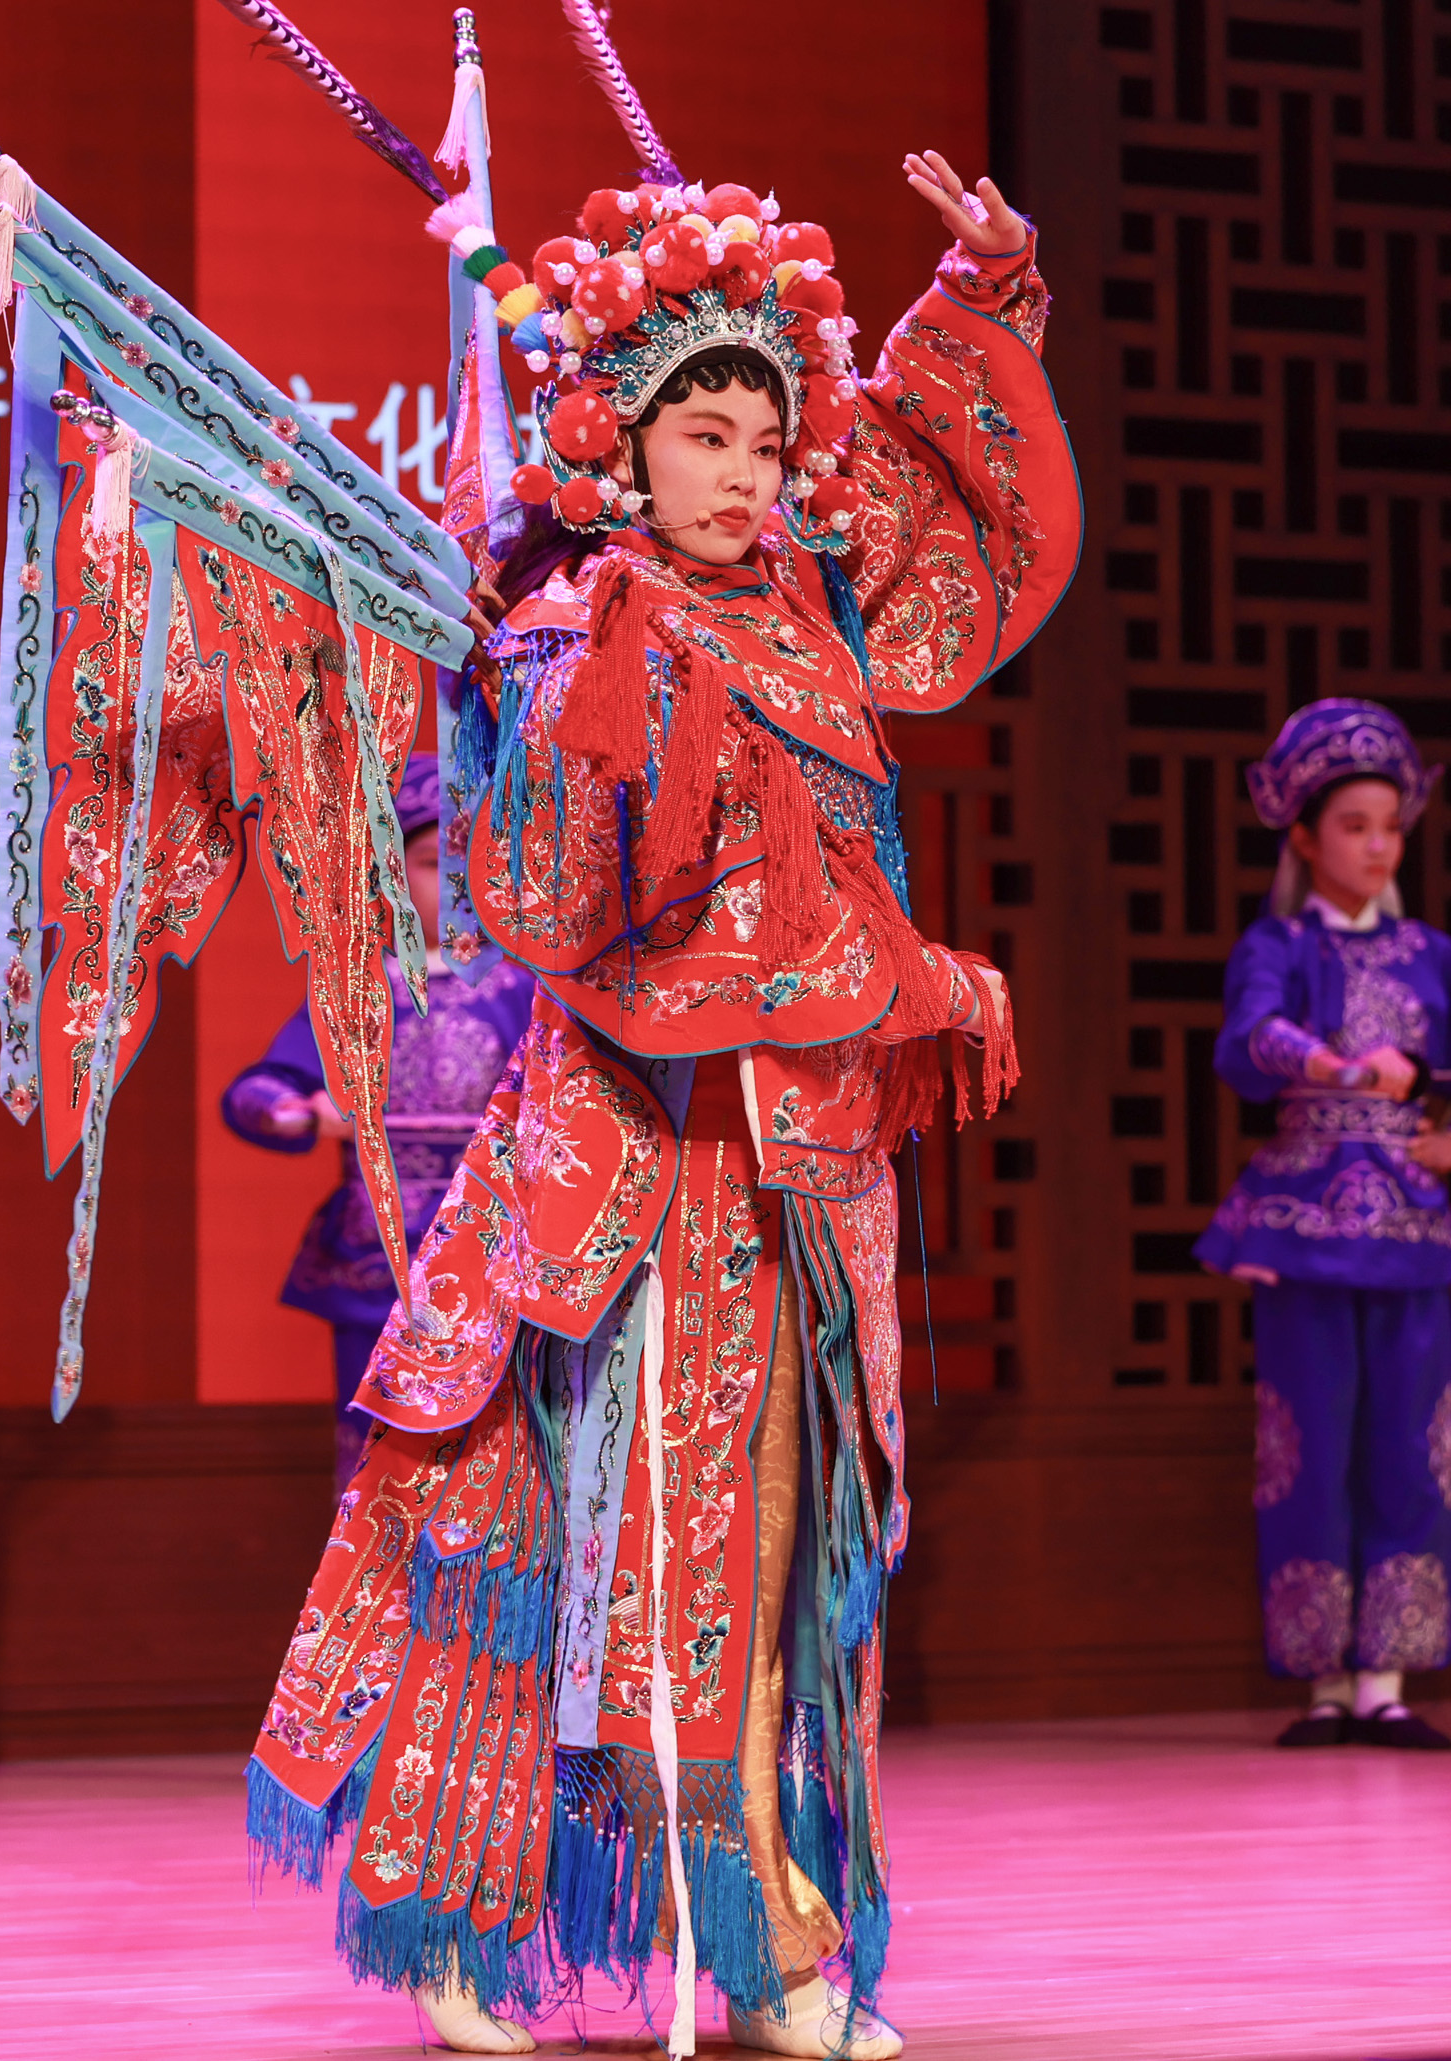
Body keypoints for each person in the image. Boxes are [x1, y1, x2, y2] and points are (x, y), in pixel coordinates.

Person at [245, 153, 1073, 2059]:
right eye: (703, 436)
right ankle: (458, 1916)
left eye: (765, 441)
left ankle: (766, 1934)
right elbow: (579, 925)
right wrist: (889, 976)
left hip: (791, 1176)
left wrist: (981, 297)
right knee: (529, 1541)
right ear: (618, 443)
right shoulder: (581, 629)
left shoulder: (806, 613)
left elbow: (957, 551)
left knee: (768, 1570)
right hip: (620, 1173)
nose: (744, 474)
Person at [1192, 699, 1451, 1755]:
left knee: (1410, 1453)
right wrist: (1343, 1069)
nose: (1378, 845)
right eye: (1353, 826)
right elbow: (1252, 1037)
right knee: (1305, 1452)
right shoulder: (1279, 944)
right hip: (1300, 1236)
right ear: (1303, 838)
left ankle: (1387, 1680)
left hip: (1410, 1240)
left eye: (1390, 826)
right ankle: (1322, 1684)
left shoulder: (1430, 953)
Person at [222, 753, 537, 1492]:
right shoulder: (358, 992)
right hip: (378, 1243)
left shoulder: (528, 990)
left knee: (496, 1447)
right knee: (373, 1440)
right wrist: (293, 1110)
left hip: (498, 1242)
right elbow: (261, 1087)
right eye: (431, 864)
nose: (454, 884)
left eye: (472, 864)